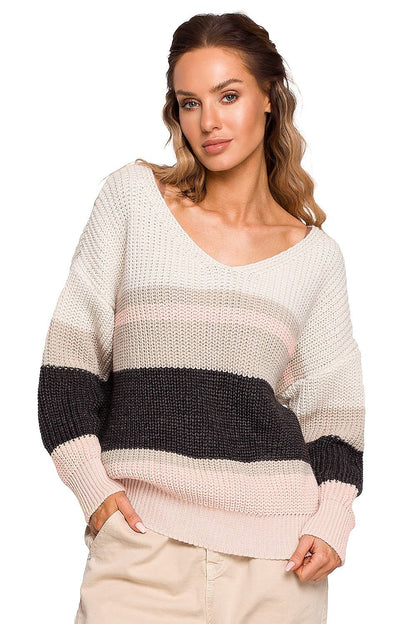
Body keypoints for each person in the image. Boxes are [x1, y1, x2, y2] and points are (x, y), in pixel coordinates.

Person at [37, 11, 365, 624]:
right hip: (140, 546)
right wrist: (93, 489)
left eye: (228, 95)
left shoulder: (315, 257)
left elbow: (333, 409)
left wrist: (332, 518)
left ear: (270, 97)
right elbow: (70, 362)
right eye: (190, 103)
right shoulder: (133, 200)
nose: (208, 121)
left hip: (278, 565)